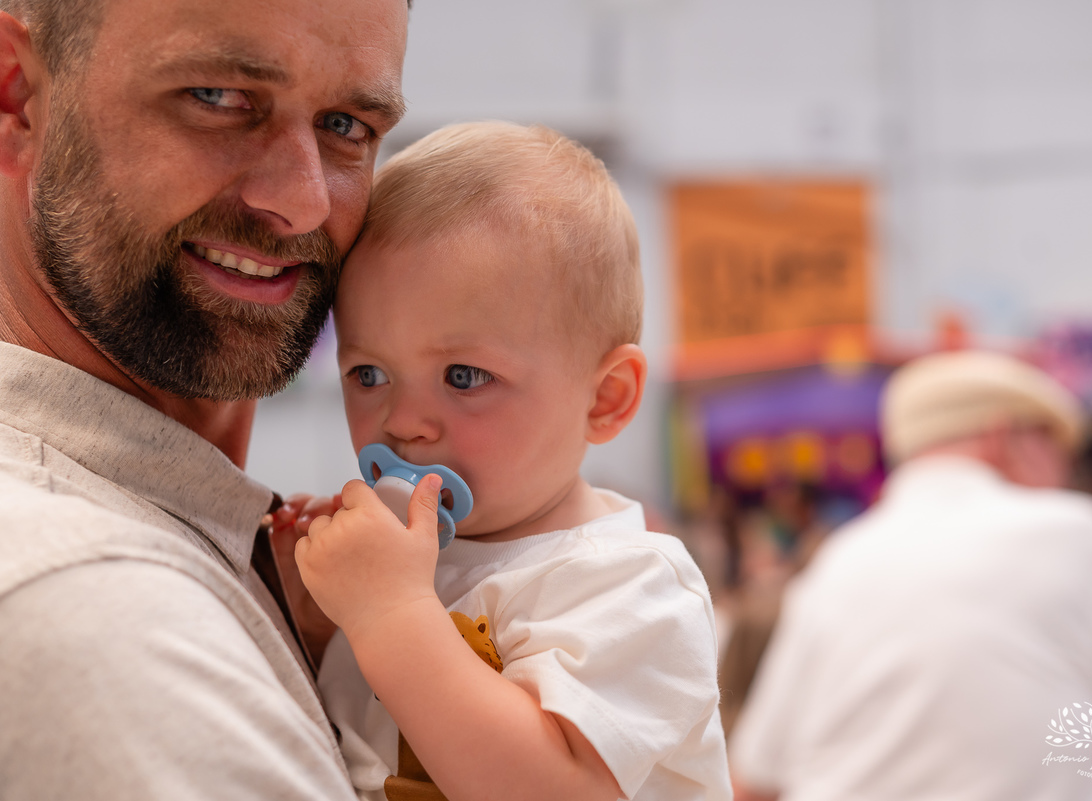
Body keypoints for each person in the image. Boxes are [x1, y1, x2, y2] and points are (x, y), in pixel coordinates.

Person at [0, 0, 408, 797]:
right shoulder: (94, 605)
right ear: (18, 94)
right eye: (218, 98)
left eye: (347, 124)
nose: (303, 201)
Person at [293, 121, 731, 801]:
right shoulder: (408, 570)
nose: (403, 421)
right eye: (369, 374)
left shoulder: (629, 587)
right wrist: (319, 620)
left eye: (464, 376)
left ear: (605, 400)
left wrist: (383, 610)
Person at [728, 350, 1092, 801]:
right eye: (1057, 448)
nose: (1064, 472)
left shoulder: (840, 560)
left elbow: (755, 779)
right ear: (1005, 435)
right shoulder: (1075, 533)